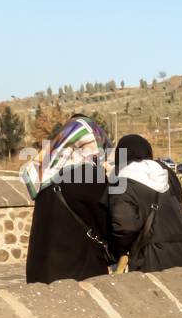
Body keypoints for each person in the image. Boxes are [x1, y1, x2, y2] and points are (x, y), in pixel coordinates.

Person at [23, 115, 115, 283]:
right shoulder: (90, 176)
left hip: (39, 273)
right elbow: (107, 223)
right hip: (78, 273)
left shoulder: (45, 177)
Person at [109, 133, 182, 272]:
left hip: (154, 259)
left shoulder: (122, 182)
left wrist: (118, 250)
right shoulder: (167, 174)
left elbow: (124, 227)